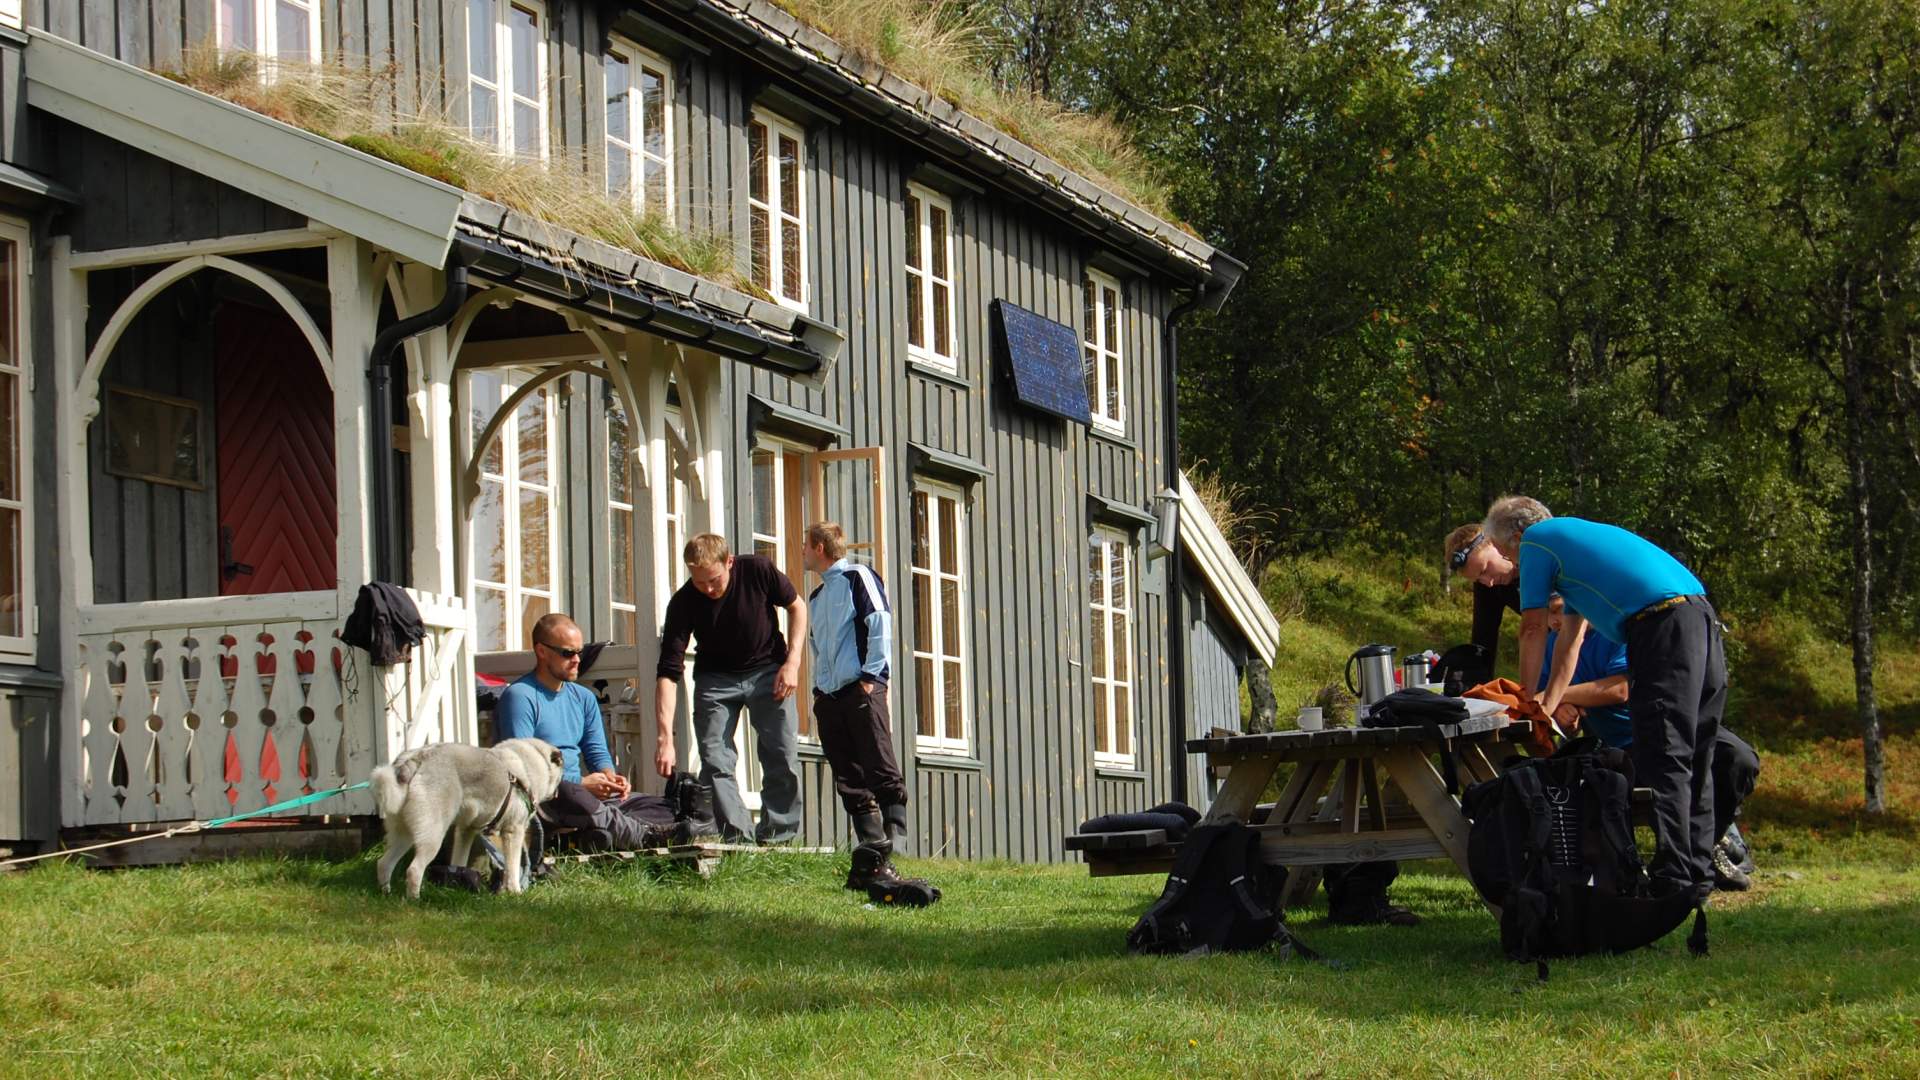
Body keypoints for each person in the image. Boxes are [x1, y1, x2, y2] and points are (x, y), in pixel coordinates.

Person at [1481, 495, 1729, 901]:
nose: (1515, 565)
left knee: (1664, 753)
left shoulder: (1538, 540)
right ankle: (1696, 877)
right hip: (1700, 617)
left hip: (1659, 626)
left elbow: (1532, 628)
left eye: (1508, 554)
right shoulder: (1576, 553)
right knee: (1697, 753)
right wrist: (1541, 708)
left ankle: (1673, 880)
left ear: (1518, 536)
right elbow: (1569, 644)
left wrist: (1522, 698)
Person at [1537, 595, 1762, 890]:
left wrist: (1558, 695)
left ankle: (1708, 843)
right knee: (1659, 779)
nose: (1554, 621)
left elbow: (1620, 688)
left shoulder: (1617, 634)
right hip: (1624, 748)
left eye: (1558, 611)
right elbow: (1546, 704)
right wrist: (1561, 709)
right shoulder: (1551, 647)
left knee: (1739, 759)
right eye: (1548, 614)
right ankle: (1684, 865)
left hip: (1676, 726)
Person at [655, 534, 807, 844]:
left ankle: (777, 838)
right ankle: (738, 841)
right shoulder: (683, 602)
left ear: (729, 562)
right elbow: (668, 674)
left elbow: (797, 607)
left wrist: (792, 663)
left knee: (781, 754)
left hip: (768, 671)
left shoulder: (757, 570)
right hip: (715, 681)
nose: (708, 589)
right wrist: (664, 738)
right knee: (715, 760)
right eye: (699, 582)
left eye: (714, 580)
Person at [800, 521, 918, 891]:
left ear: (819, 547)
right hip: (830, 697)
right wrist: (819, 692)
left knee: (878, 759)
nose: (802, 552)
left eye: (805, 545)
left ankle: (896, 840)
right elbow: (818, 645)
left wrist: (872, 675)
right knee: (847, 774)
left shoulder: (858, 577)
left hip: (861, 688)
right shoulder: (816, 597)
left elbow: (879, 620)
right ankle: (872, 846)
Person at [494, 612, 660, 851]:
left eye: (579, 652)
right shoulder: (520, 696)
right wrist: (582, 783)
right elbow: (522, 769)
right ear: (541, 651)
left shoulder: (584, 698)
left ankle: (595, 835)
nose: (577, 660)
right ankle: (643, 836)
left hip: (585, 799)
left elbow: (596, 750)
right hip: (546, 796)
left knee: (658, 804)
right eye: (567, 653)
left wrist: (610, 778)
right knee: (570, 792)